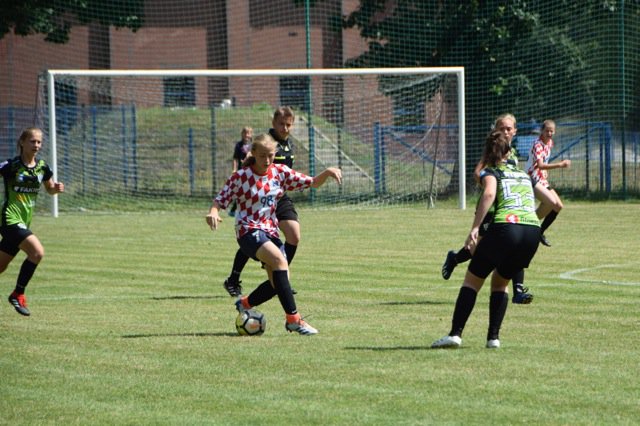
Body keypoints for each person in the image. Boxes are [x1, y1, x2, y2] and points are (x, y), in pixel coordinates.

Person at [431, 130, 559, 349]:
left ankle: (455, 334)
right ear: (509, 152)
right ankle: (493, 338)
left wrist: (474, 228)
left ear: (487, 154)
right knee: (501, 282)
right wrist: (528, 218)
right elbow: (552, 203)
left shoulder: (491, 172)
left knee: (472, 280)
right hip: (531, 233)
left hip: (505, 229)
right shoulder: (525, 175)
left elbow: (489, 194)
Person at [206, 133, 341, 335]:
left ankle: (245, 303)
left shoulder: (279, 173)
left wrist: (328, 172)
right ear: (253, 154)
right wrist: (213, 213)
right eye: (262, 156)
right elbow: (220, 200)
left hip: (270, 231)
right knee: (279, 260)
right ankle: (294, 320)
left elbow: (312, 182)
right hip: (248, 230)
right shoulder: (241, 177)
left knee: (278, 282)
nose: (267, 160)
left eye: (270, 155)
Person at [441, 114, 533, 304]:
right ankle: (455, 259)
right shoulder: (492, 151)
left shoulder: (513, 153)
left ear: (515, 131)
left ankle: (517, 291)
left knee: (511, 248)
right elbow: (477, 172)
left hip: (508, 211)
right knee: (477, 250)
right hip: (491, 210)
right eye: (502, 128)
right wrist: (489, 181)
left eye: (509, 129)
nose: (506, 132)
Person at [223, 107, 300, 297]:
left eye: (288, 125)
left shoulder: (288, 144)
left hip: (280, 197)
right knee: (254, 238)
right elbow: (248, 164)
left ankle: (280, 276)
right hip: (260, 199)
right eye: (281, 124)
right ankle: (235, 278)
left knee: (294, 235)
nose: (285, 128)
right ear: (273, 123)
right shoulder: (267, 142)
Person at [1, 127, 65, 316]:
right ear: (22, 142)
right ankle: (18, 294)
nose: (36, 145)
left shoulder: (42, 167)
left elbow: (50, 189)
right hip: (9, 219)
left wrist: (56, 188)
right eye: (32, 141)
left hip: (24, 221)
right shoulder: (11, 166)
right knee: (37, 253)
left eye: (39, 142)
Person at [525, 119, 571, 247]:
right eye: (547, 131)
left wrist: (545, 172)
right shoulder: (537, 145)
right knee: (551, 202)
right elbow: (540, 165)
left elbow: (543, 163)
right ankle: (527, 224)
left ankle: (539, 232)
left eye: (552, 131)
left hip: (540, 178)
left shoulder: (550, 143)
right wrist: (560, 165)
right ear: (542, 131)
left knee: (558, 206)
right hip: (531, 178)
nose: (549, 133)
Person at [228, 127, 253, 217]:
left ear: (251, 134)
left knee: (249, 191)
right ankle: (233, 210)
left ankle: (248, 209)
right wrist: (234, 169)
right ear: (242, 134)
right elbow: (235, 158)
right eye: (245, 133)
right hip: (241, 172)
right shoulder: (239, 145)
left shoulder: (253, 145)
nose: (247, 135)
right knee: (240, 191)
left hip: (251, 172)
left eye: (248, 133)